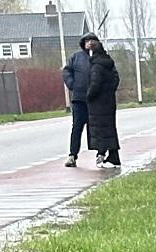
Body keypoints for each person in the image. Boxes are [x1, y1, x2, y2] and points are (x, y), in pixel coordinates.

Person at [84, 37, 121, 169]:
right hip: (109, 101)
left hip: (98, 104)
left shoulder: (96, 66)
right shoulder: (109, 63)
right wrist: (109, 91)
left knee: (99, 129)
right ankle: (114, 156)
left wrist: (88, 96)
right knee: (110, 128)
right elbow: (116, 79)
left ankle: (101, 154)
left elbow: (95, 84)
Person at [60, 34, 95, 168]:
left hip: (95, 100)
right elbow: (66, 71)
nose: (89, 43)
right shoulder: (76, 57)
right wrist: (72, 84)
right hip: (79, 99)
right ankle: (72, 155)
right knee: (77, 128)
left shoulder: (99, 57)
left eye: (92, 41)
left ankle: (101, 154)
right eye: (87, 41)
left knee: (97, 128)